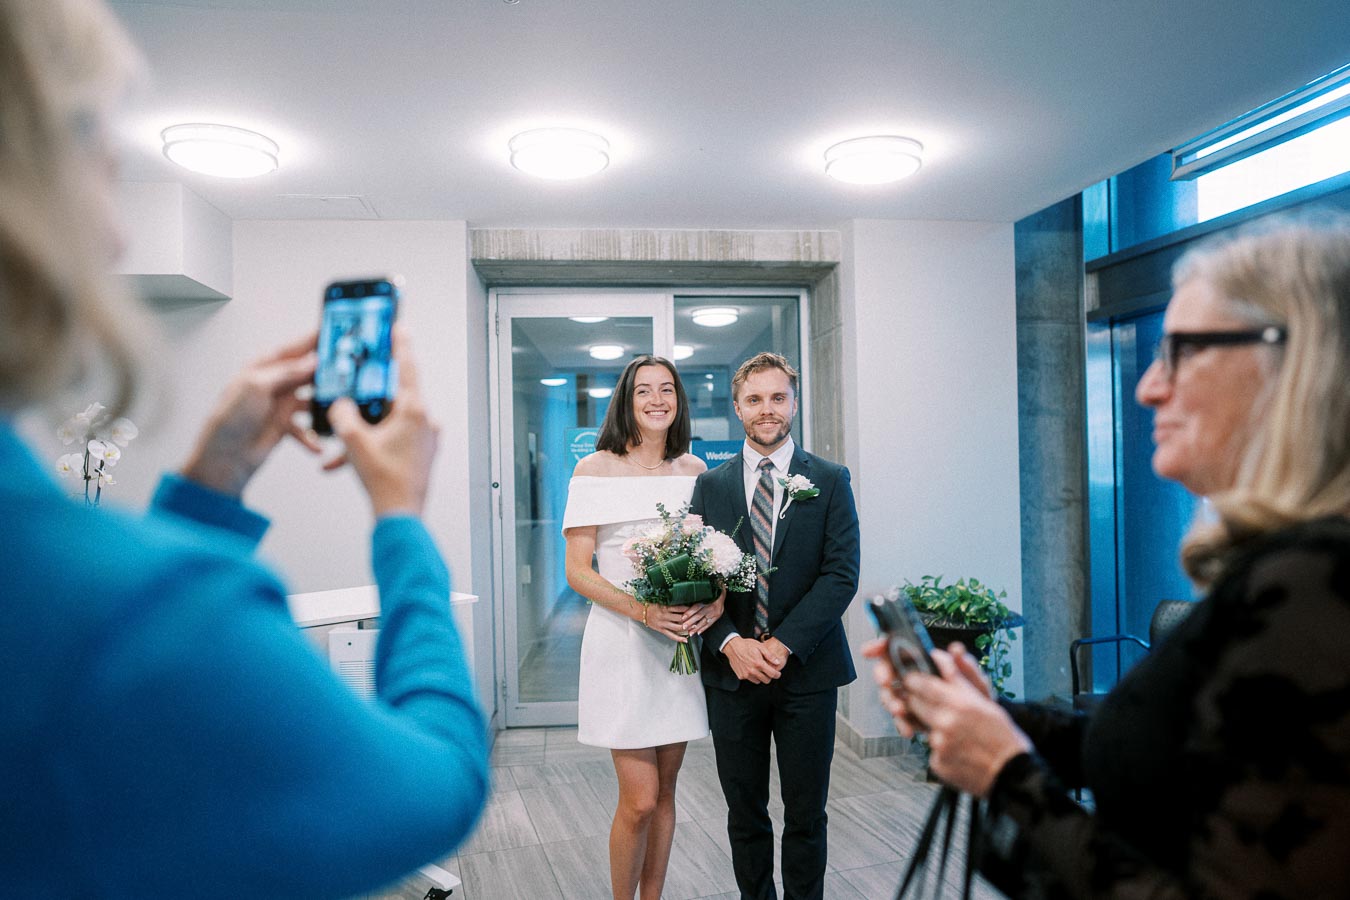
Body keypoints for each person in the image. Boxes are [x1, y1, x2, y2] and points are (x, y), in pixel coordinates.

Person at [0, 0, 488, 896]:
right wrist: (401, 518)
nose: (115, 234)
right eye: (104, 168)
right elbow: (438, 787)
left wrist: (207, 488)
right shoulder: (137, 611)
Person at [868, 216, 1350, 898]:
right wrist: (995, 719)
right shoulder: (1290, 570)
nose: (1149, 387)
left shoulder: (1321, 589)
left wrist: (1006, 774)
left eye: (1180, 352)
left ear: (1294, 363)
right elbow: (1171, 754)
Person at [690, 351, 860, 900]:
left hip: (807, 672)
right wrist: (731, 643)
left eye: (778, 398)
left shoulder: (830, 480)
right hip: (732, 674)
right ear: (737, 407)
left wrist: (783, 645)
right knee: (745, 811)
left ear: (794, 402)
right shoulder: (709, 488)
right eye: (755, 399)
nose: (768, 410)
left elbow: (841, 575)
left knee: (807, 812)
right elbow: (696, 585)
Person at [562, 354, 724, 900]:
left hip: (679, 648)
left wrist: (713, 603)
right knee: (640, 799)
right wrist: (643, 610)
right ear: (626, 402)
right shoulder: (594, 469)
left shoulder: (695, 472)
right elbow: (578, 571)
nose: (657, 400)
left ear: (678, 403)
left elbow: (715, 558)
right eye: (643, 391)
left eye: (667, 391)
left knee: (668, 789)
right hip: (621, 644)